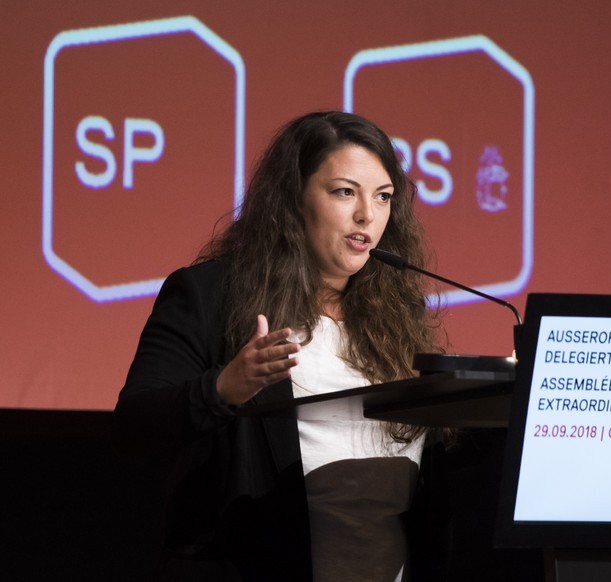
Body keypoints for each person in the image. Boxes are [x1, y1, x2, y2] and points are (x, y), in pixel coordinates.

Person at [114, 111, 450, 581]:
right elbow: (134, 428)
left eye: (383, 197)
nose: (367, 216)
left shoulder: (395, 319)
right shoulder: (213, 296)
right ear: (293, 200)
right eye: (344, 192)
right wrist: (222, 390)